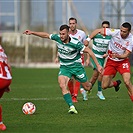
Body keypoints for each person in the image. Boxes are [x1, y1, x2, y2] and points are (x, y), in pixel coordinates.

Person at [23, 24, 103, 114]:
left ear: (68, 33)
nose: (61, 36)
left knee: (88, 87)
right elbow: (45, 35)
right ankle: (71, 107)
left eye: (63, 34)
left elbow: (89, 51)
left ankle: (89, 86)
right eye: (60, 33)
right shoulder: (57, 38)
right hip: (65, 67)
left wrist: (98, 65)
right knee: (62, 85)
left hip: (76, 67)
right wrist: (32, 32)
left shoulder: (75, 43)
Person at [85, 22, 133, 102]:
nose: (121, 33)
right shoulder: (115, 32)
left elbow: (126, 55)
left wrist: (117, 56)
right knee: (104, 86)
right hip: (111, 62)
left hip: (122, 62)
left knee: (127, 82)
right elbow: (98, 30)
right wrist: (88, 39)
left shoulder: (131, 40)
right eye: (121, 30)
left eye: (124, 32)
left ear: (129, 32)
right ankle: (116, 84)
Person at [85, 21, 112, 100]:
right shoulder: (96, 35)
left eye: (106, 27)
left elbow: (111, 48)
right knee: (100, 73)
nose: (105, 29)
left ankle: (87, 89)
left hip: (102, 58)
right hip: (95, 57)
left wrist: (107, 54)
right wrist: (88, 58)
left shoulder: (110, 37)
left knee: (94, 77)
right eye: (103, 27)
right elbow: (87, 41)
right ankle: (99, 92)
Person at [68, 17, 88, 102]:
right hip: (68, 58)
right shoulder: (66, 34)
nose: (72, 25)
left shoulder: (82, 34)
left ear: (76, 24)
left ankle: (74, 97)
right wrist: (57, 56)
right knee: (69, 78)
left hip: (79, 57)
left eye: (73, 23)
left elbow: (86, 46)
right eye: (70, 23)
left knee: (77, 77)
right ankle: (76, 93)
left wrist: (88, 58)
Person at [0, 45, 12, 131]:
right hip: (7, 78)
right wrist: (6, 85)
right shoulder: (1, 49)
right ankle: (1, 124)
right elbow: (8, 65)